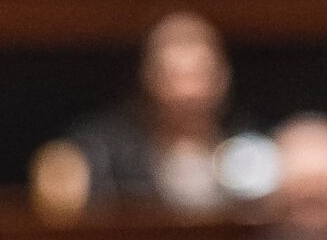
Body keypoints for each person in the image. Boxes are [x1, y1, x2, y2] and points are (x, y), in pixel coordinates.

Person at [60, 12, 256, 216]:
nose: (187, 92)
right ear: (149, 79)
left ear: (223, 78)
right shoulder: (107, 155)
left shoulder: (252, 148)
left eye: (199, 75)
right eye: (174, 77)